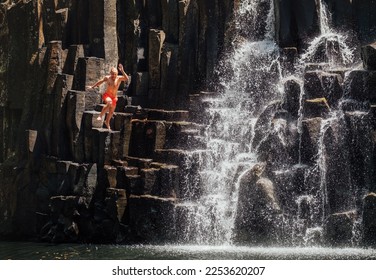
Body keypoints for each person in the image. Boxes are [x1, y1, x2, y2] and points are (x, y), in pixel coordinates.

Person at [87, 64, 129, 130]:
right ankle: (101, 115)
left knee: (111, 112)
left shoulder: (119, 78)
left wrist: (122, 71)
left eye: (115, 74)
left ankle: (107, 122)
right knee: (109, 102)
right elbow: (100, 81)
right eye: (112, 74)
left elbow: (127, 78)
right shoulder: (107, 78)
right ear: (110, 73)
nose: (114, 76)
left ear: (117, 74)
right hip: (107, 95)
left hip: (114, 97)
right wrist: (92, 86)